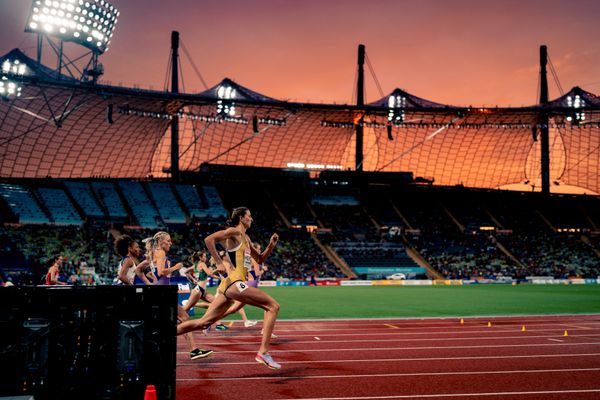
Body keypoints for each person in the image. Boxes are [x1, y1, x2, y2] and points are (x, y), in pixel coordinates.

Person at [177, 207, 281, 369]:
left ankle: (160, 334)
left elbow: (259, 259)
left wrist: (271, 246)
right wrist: (219, 262)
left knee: (204, 322)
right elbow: (209, 239)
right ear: (241, 218)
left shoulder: (245, 237)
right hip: (234, 282)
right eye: (249, 216)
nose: (252, 219)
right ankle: (263, 352)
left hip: (230, 285)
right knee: (273, 306)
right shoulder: (234, 232)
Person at [144, 231, 213, 360]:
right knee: (184, 318)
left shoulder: (155, 253)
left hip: (160, 292)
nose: (170, 243)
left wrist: (154, 280)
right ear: (160, 242)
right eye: (168, 241)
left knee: (179, 319)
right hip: (163, 293)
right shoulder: (161, 253)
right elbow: (161, 272)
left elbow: (153, 273)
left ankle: (193, 349)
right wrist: (176, 267)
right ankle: (193, 350)